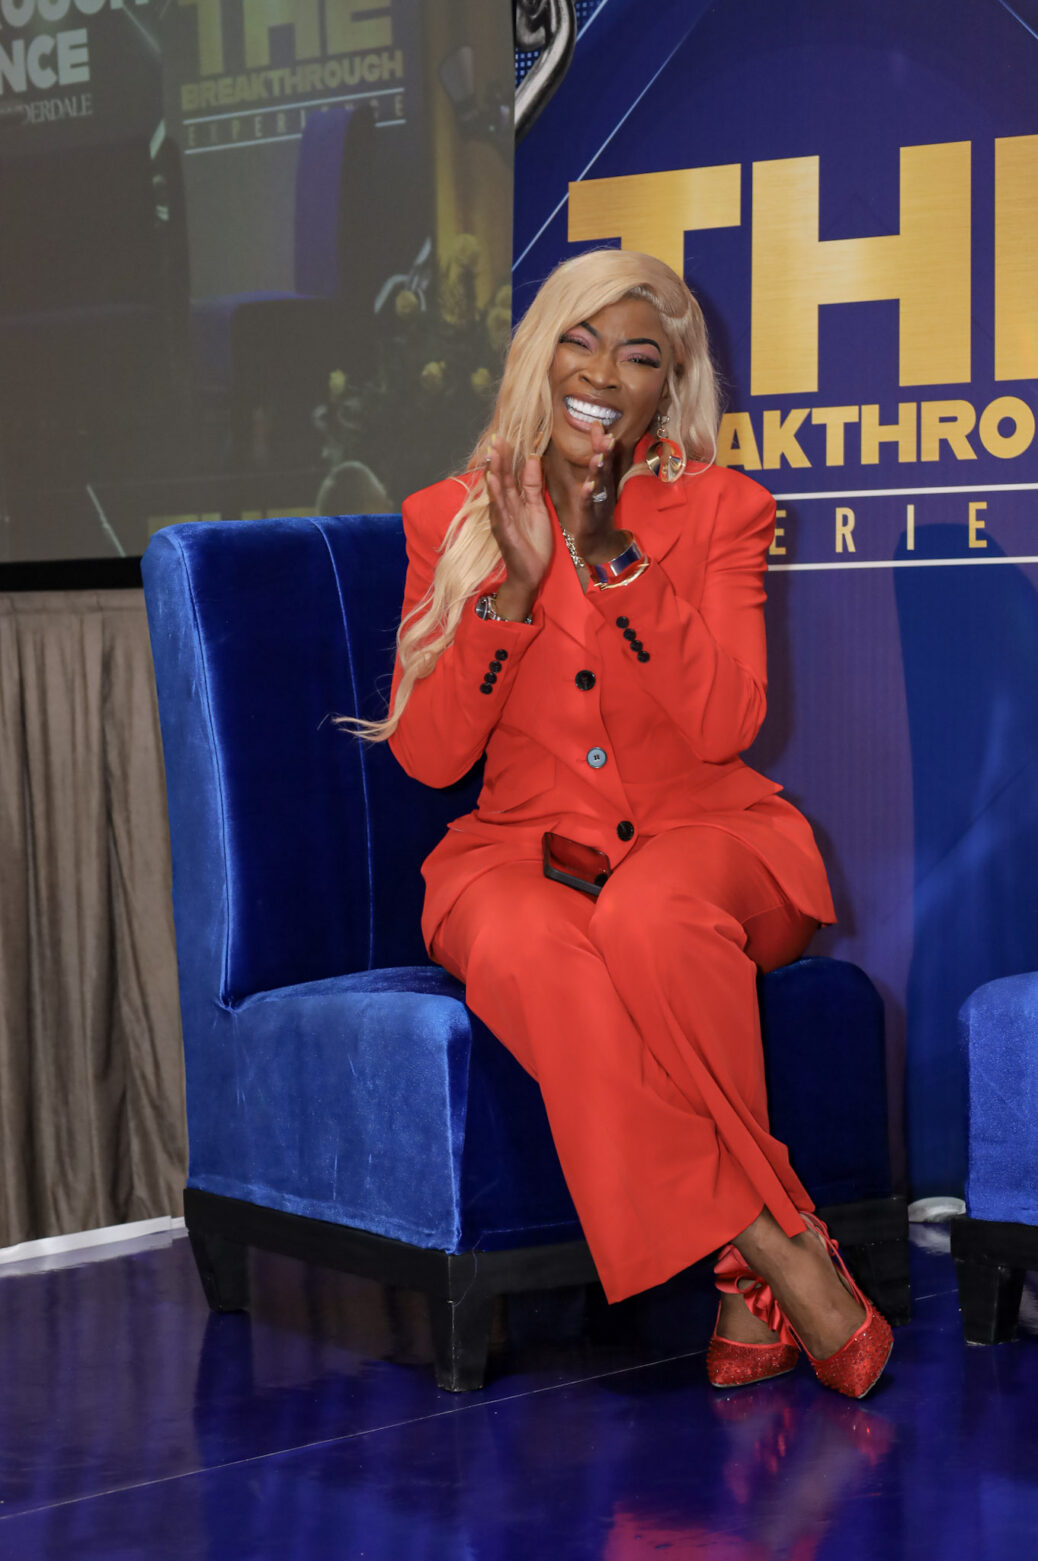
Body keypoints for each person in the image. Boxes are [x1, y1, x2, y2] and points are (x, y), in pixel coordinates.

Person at [352, 247, 892, 1398]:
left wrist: (612, 559)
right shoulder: (449, 516)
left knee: (651, 914)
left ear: (670, 385)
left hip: (710, 837)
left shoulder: (723, 511)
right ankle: (771, 1251)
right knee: (531, 946)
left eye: (638, 355)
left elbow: (727, 724)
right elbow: (430, 756)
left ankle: (760, 1258)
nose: (602, 372)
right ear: (537, 355)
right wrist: (507, 597)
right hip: (516, 855)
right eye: (579, 339)